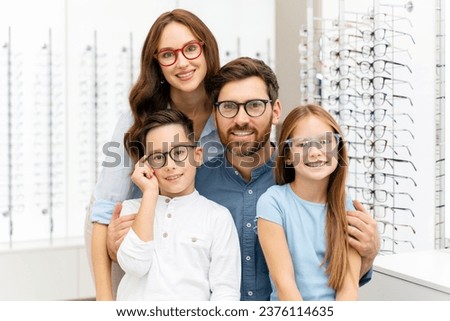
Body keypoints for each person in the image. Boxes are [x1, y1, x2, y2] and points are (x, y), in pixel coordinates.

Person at [195, 57, 379, 301]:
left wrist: (369, 253)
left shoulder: (307, 178)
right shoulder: (195, 184)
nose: (241, 119)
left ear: (275, 111)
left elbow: (336, 277)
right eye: (228, 107)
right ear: (215, 113)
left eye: (254, 105)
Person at [86, 9, 223, 300]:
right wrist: (103, 301)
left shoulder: (226, 115)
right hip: (135, 243)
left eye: (190, 49)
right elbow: (102, 213)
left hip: (192, 245)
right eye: (168, 54)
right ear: (156, 64)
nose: (182, 62)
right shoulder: (135, 122)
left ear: (206, 49)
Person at [116, 109, 240, 300]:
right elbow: (135, 264)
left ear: (197, 155)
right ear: (146, 164)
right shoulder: (131, 210)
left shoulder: (217, 217)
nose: (170, 165)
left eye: (179, 152)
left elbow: (226, 292)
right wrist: (149, 193)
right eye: (157, 157)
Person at [256, 104, 360, 301]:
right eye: (302, 144)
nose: (314, 152)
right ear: (287, 155)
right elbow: (285, 285)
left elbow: (349, 289)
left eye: (325, 141)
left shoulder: (347, 207)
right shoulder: (273, 203)